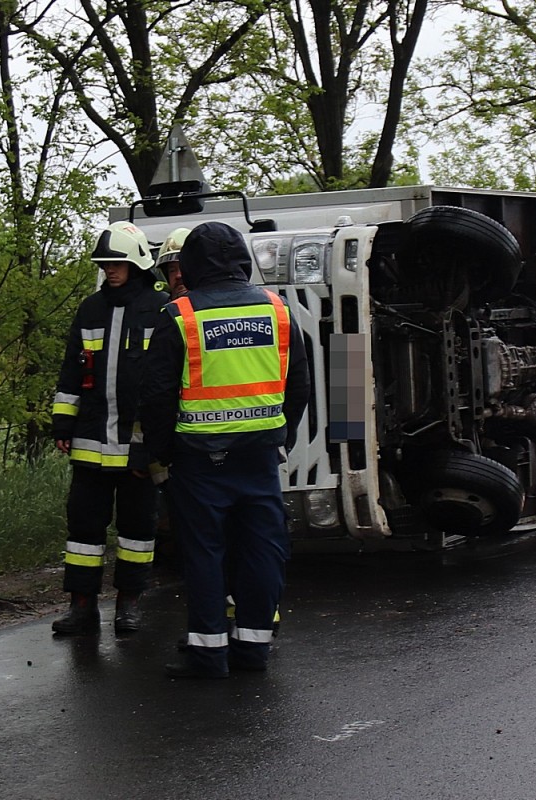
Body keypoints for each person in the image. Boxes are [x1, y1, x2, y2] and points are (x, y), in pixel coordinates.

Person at [140, 221, 310, 679]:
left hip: (198, 461)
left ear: (191, 265)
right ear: (242, 260)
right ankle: (253, 650)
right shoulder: (278, 311)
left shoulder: (179, 315)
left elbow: (156, 396)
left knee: (205, 557)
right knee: (261, 552)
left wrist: (163, 453)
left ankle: (208, 655)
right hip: (259, 459)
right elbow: (300, 387)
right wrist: (279, 437)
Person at [50, 220, 168, 636]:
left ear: (136, 263)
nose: (108, 270)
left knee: (137, 531)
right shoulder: (90, 309)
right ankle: (81, 606)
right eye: (103, 264)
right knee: (83, 530)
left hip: (137, 447)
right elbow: (71, 371)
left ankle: (128, 605)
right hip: (89, 442)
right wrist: (62, 421)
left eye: (115, 263)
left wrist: (154, 445)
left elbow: (164, 384)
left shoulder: (160, 309)